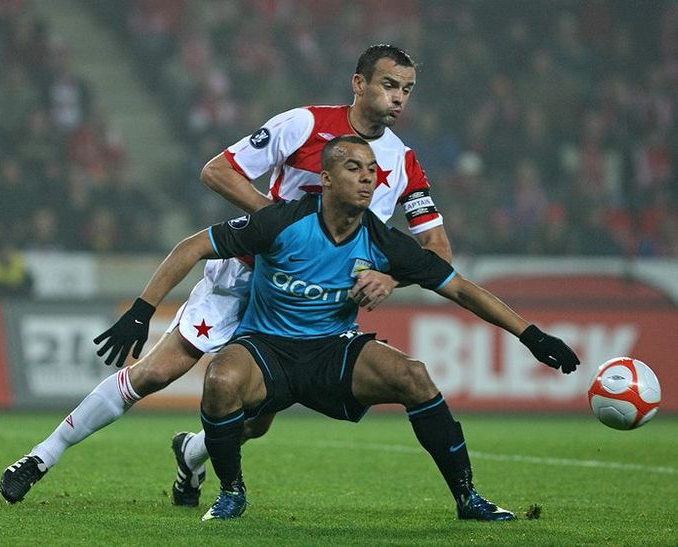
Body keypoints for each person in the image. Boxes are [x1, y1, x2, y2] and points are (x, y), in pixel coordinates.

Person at [0, 45, 453, 506]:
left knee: (256, 420)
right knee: (155, 373)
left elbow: (437, 251)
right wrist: (282, 229)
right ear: (360, 84)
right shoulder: (304, 125)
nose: (399, 98)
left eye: (408, 90)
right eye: (389, 85)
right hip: (244, 277)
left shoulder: (404, 162)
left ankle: (192, 452)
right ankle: (41, 456)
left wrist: (392, 278)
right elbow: (218, 171)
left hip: (310, 307)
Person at [70, 136, 578, 523]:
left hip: (332, 352)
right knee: (221, 380)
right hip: (265, 349)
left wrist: (531, 334)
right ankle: (231, 491)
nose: (367, 178)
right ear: (327, 178)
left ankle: (467, 497)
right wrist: (143, 309)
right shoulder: (282, 221)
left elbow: (461, 288)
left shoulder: (384, 242)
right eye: (353, 168)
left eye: (373, 171)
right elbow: (193, 246)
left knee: (415, 376)